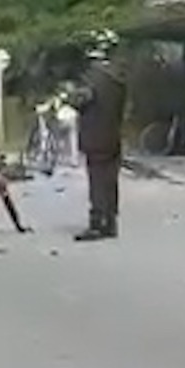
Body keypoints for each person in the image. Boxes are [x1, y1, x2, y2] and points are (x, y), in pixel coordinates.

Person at [70, 29, 126, 241]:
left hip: (95, 134)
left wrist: (70, 97)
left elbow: (82, 100)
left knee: (97, 180)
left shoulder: (93, 77)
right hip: (113, 133)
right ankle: (111, 222)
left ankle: (97, 223)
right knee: (111, 180)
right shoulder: (118, 77)